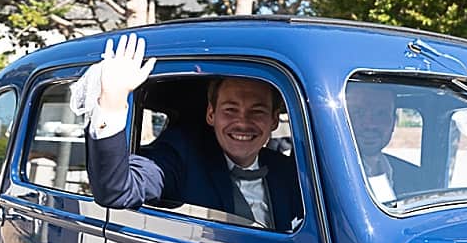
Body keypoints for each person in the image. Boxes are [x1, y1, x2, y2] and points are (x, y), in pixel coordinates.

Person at [83, 34, 302, 231]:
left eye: (257, 111)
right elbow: (117, 191)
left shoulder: (286, 171)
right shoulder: (181, 156)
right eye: (230, 110)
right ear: (211, 114)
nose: (243, 122)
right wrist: (113, 101)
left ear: (274, 120)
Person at [345, 81, 422, 202]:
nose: (370, 124)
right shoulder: (316, 174)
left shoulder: (416, 178)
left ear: (393, 122)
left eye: (381, 114)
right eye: (358, 112)